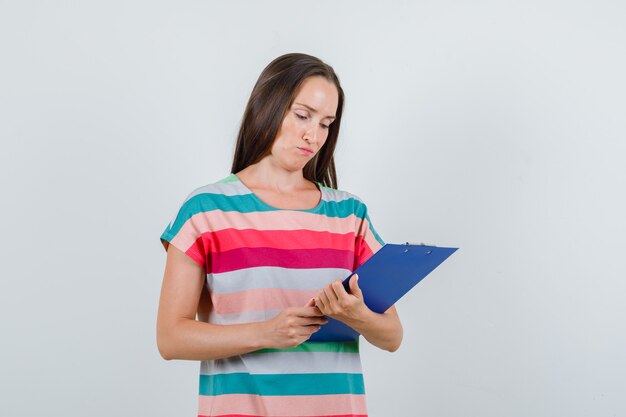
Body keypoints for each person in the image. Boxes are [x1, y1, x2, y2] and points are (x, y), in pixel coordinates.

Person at [157, 52, 403, 417]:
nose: (313, 135)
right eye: (303, 116)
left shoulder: (350, 215)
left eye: (326, 124)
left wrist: (357, 315)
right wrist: (267, 333)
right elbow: (170, 338)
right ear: (268, 107)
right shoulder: (206, 210)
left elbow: (392, 336)